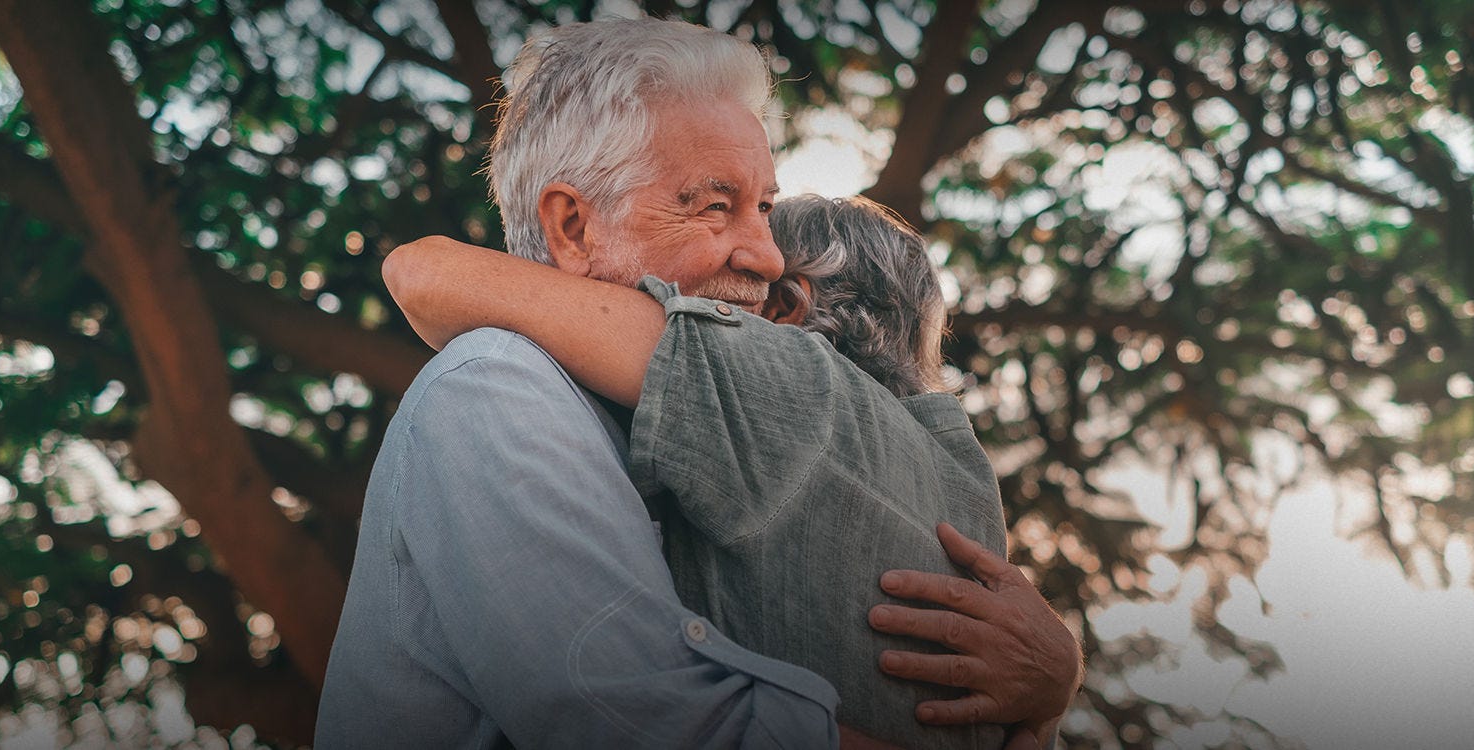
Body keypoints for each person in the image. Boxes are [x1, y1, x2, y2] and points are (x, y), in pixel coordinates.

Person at [316, 18, 1080, 749]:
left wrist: (1047, 683)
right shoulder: (497, 388)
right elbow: (645, 728)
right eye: (716, 207)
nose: (769, 258)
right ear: (573, 228)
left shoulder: (691, 435)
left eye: (767, 209)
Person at [380, 193, 1078, 748]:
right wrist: (1061, 683)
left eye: (756, 270)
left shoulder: (787, 380)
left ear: (785, 304)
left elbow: (430, 274)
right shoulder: (966, 481)